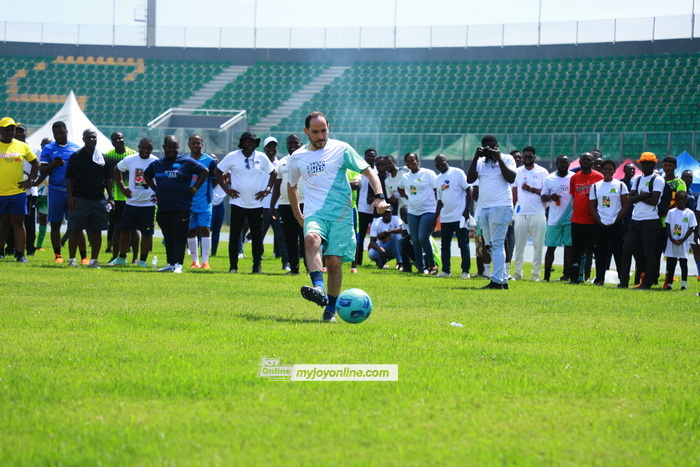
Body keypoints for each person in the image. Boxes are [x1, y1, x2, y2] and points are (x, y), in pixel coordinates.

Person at [288, 112, 387, 322]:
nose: (320, 136)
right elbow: (292, 185)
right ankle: (318, 288)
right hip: (315, 212)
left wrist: (379, 196)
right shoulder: (297, 157)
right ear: (306, 132)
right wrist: (298, 214)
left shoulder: (342, 149)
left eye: (323, 130)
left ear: (329, 128)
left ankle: (330, 310)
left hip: (341, 214)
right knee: (311, 239)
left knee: (333, 262)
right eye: (315, 132)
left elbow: (369, 172)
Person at [144, 135, 209, 273]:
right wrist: (156, 189)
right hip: (163, 206)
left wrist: (195, 188)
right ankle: (170, 263)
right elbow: (146, 175)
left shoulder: (186, 161)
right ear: (164, 147)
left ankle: (179, 264)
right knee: (168, 236)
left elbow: (204, 171)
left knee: (179, 236)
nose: (172, 150)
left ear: (178, 148)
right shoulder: (157, 163)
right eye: (169, 147)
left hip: (181, 207)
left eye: (175, 147)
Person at [215, 131, 277, 274]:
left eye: (252, 141)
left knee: (257, 237)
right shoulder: (232, 156)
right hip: (237, 203)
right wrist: (227, 190)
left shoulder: (261, 157)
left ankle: (257, 266)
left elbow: (273, 173)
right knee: (234, 235)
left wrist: (267, 190)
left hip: (256, 204)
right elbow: (217, 172)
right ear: (242, 143)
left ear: (256, 144)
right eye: (247, 141)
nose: (249, 144)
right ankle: (233, 267)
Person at [466, 135, 516, 289]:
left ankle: (497, 280)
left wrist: (498, 159)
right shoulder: (480, 162)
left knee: (498, 243)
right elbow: (469, 179)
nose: (489, 150)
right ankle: (502, 280)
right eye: (486, 147)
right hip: (484, 207)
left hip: (501, 206)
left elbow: (511, 178)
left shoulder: (507, 158)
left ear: (497, 146)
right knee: (489, 245)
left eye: (492, 147)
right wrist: (476, 157)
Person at [64, 129, 115, 268]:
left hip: (98, 199)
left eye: (94, 137)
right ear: (83, 139)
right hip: (80, 198)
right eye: (88, 137)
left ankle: (94, 260)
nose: (91, 140)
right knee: (75, 229)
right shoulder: (76, 157)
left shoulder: (103, 157)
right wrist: (70, 197)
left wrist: (111, 197)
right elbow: (69, 178)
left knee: (96, 230)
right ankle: (72, 259)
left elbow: (108, 179)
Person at [618, 152, 665, 289]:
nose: (645, 165)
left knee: (648, 252)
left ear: (654, 164)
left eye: (648, 163)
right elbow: (629, 199)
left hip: (650, 220)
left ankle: (647, 283)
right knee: (627, 250)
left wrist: (637, 197)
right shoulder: (638, 179)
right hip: (635, 220)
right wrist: (643, 196)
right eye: (643, 163)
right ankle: (623, 282)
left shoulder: (658, 180)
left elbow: (654, 201)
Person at [110, 138, 159, 267]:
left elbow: (161, 178)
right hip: (131, 203)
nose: (145, 150)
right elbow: (116, 169)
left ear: (152, 149)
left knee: (146, 233)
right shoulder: (130, 159)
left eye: (148, 148)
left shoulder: (155, 161)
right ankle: (121, 258)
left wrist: (158, 193)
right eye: (143, 148)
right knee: (125, 230)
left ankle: (142, 261)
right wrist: (122, 187)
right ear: (138, 147)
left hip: (148, 204)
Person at [37, 121, 81, 263]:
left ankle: (81, 256)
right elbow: (42, 171)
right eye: (56, 134)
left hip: (73, 192)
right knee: (55, 224)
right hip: (55, 191)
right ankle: (58, 256)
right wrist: (53, 165)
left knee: (75, 225)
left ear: (66, 132)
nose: (59, 136)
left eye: (62, 133)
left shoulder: (76, 148)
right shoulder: (48, 148)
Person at [0, 117, 39, 263]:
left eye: (12, 130)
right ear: (0, 131)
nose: (9, 132)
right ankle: (1, 252)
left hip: (17, 192)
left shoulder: (22, 146)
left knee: (18, 222)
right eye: (6, 130)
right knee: (2, 223)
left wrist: (30, 181)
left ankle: (20, 254)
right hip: (0, 193)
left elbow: (36, 163)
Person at [589, 159, 629, 286]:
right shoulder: (595, 186)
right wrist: (599, 220)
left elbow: (625, 205)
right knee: (600, 252)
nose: (607, 171)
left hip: (616, 224)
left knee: (619, 252)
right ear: (601, 170)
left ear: (614, 170)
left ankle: (623, 281)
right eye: (605, 169)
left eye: (610, 169)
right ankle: (600, 279)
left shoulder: (620, 185)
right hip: (601, 224)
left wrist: (616, 220)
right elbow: (592, 206)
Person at [270, 134, 305, 275]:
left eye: (296, 143)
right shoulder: (282, 162)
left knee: (305, 238)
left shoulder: (307, 159)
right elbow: (277, 185)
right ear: (286, 144)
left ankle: (311, 269)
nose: (293, 145)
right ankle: (294, 270)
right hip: (285, 205)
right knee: (290, 239)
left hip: (303, 203)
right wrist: (272, 205)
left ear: (301, 144)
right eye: (290, 143)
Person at [512, 146, 549, 281]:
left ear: (534, 157)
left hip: (538, 213)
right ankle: (517, 273)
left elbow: (546, 193)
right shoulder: (517, 172)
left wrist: (532, 189)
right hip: (521, 214)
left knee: (538, 246)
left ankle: (535, 275)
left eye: (530, 157)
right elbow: (514, 193)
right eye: (525, 157)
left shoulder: (542, 172)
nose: (527, 159)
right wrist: (512, 211)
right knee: (519, 246)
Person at [398, 152, 438, 274]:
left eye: (412, 160)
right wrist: (408, 197)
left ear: (417, 161)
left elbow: (437, 189)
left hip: (428, 210)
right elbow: (400, 188)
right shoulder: (405, 177)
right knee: (415, 240)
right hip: (412, 212)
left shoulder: (428, 173)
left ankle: (432, 264)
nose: (410, 163)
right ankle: (421, 268)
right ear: (405, 163)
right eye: (408, 161)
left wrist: (436, 204)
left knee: (422, 237)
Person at [432, 154, 471, 279]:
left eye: (442, 161)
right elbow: (439, 201)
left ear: (447, 161)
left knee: (463, 244)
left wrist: (467, 210)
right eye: (437, 162)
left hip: (459, 216)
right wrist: (436, 217)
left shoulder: (457, 173)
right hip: (446, 217)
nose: (440, 164)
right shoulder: (438, 179)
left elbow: (468, 190)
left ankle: (465, 271)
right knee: (445, 245)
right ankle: (446, 271)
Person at [568, 152, 604, 284]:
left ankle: (598, 277)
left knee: (595, 250)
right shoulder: (574, 177)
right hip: (577, 219)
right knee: (577, 250)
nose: (585, 161)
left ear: (593, 162)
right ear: (579, 161)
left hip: (593, 220)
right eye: (583, 159)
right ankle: (576, 277)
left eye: (588, 159)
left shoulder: (598, 177)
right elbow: (574, 195)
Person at [185, 134, 218, 270]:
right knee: (191, 230)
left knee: (205, 229)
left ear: (202, 144)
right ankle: (195, 262)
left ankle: (205, 262)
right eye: (193, 143)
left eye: (198, 143)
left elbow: (215, 180)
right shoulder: (185, 160)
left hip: (204, 201)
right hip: (189, 202)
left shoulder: (210, 161)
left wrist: (206, 191)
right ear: (189, 145)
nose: (195, 145)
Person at [104, 132, 137, 262]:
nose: (118, 141)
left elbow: (139, 175)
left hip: (131, 198)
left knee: (133, 228)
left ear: (124, 139)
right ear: (112, 141)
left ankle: (136, 258)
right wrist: (110, 197)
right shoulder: (108, 156)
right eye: (115, 139)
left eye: (120, 138)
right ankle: (115, 256)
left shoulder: (133, 155)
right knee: (117, 228)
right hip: (116, 198)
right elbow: (107, 177)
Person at [541, 155, 574, 282]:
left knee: (569, 248)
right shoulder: (549, 179)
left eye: (566, 162)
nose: (563, 165)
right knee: (551, 247)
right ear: (557, 163)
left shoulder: (573, 177)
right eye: (561, 162)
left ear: (569, 164)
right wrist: (551, 197)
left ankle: (570, 276)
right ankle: (546, 277)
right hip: (554, 220)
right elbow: (543, 197)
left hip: (570, 218)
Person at [260, 136, 289, 271]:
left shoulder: (280, 164)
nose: (271, 149)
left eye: (274, 146)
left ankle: (286, 263)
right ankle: (257, 262)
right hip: (262, 205)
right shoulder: (260, 163)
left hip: (277, 206)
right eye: (269, 146)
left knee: (282, 237)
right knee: (259, 236)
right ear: (264, 148)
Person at [663, 191, 696, 290]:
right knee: (671, 262)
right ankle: (669, 284)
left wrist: (683, 239)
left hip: (683, 241)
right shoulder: (671, 212)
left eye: (682, 199)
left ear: (686, 200)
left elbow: (691, 228)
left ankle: (684, 284)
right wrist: (671, 238)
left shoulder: (690, 213)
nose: (680, 201)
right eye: (678, 199)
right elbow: (667, 226)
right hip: (672, 241)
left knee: (683, 262)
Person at [355, 148, 379, 267]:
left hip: (376, 209)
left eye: (373, 156)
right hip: (362, 208)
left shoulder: (378, 171)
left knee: (377, 235)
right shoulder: (360, 171)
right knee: (361, 236)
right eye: (369, 156)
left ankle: (379, 260)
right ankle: (357, 260)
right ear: (365, 157)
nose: (371, 158)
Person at [680, 169, 700, 280]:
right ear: (681, 178)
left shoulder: (692, 192)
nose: (688, 179)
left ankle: (699, 273)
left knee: (696, 248)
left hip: (691, 225)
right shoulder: (678, 191)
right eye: (686, 176)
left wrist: (695, 228)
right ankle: (670, 276)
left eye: (690, 177)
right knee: (676, 251)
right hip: (679, 225)